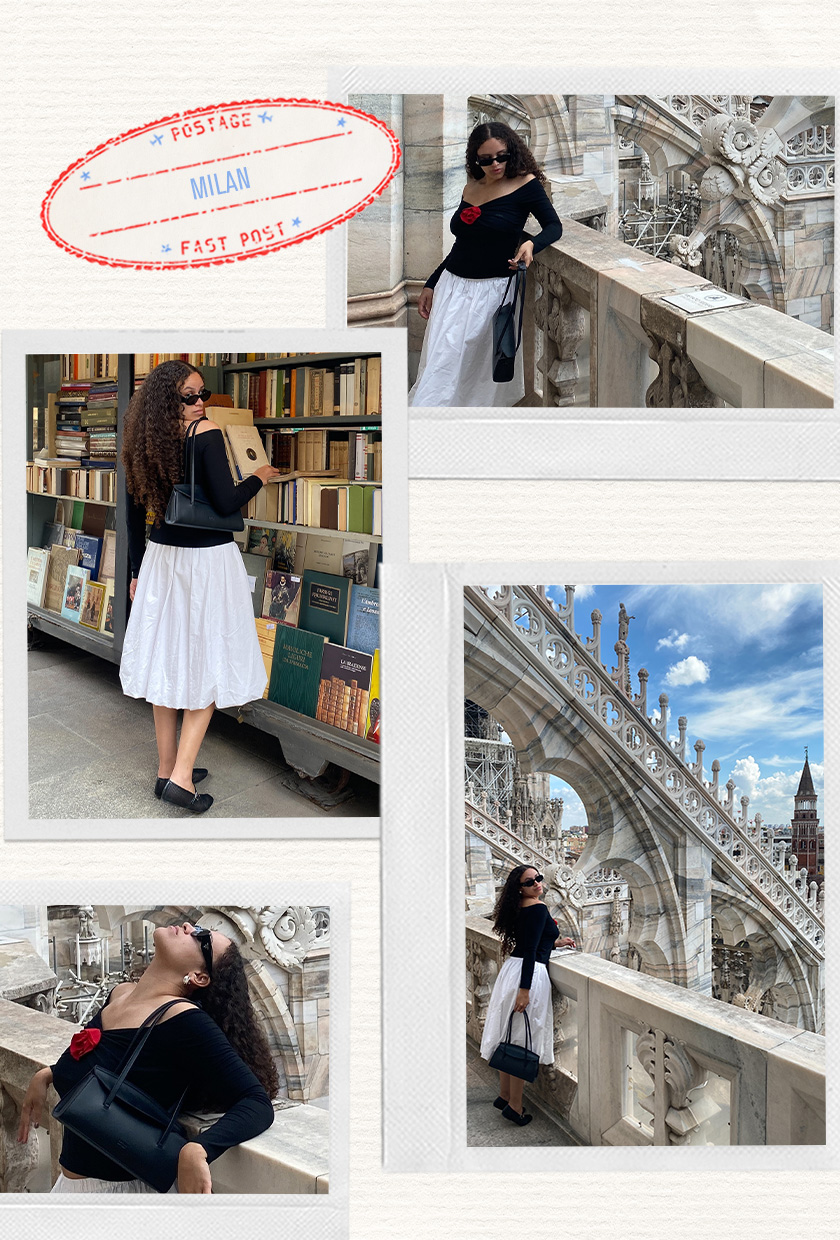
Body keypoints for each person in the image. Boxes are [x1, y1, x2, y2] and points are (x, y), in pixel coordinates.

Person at [119, 361, 280, 813]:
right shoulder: (205, 432)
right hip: (207, 561)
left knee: (168, 658)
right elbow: (228, 499)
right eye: (189, 396)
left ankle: (166, 768)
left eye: (202, 393)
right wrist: (260, 477)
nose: (200, 402)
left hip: (162, 559)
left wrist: (135, 570)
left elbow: (133, 515)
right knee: (211, 658)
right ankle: (183, 778)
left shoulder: (142, 439)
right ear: (171, 400)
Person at [17, 920, 278, 1194]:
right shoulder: (120, 994)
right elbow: (103, 1068)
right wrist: (48, 1073)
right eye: (196, 927)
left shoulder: (184, 1018)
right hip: (69, 1187)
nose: (189, 926)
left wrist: (199, 1149)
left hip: (125, 1194)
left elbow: (257, 1102)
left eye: (201, 938)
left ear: (199, 976)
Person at [409, 121, 563, 408]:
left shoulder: (526, 185)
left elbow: (554, 226)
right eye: (486, 159)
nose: (495, 164)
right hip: (452, 289)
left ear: (512, 152)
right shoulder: (471, 187)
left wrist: (531, 244)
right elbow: (462, 245)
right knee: (441, 366)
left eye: (502, 156)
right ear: (475, 159)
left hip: (491, 296)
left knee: (473, 378)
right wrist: (432, 282)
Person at [479, 865, 576, 1126]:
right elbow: (531, 950)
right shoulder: (538, 908)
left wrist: (556, 942)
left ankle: (504, 1094)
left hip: (512, 970)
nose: (537, 884)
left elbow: (530, 941)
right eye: (530, 881)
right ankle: (515, 1106)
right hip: (528, 976)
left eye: (538, 878)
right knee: (520, 1041)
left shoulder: (519, 906)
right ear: (520, 887)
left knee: (508, 1035)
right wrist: (525, 991)